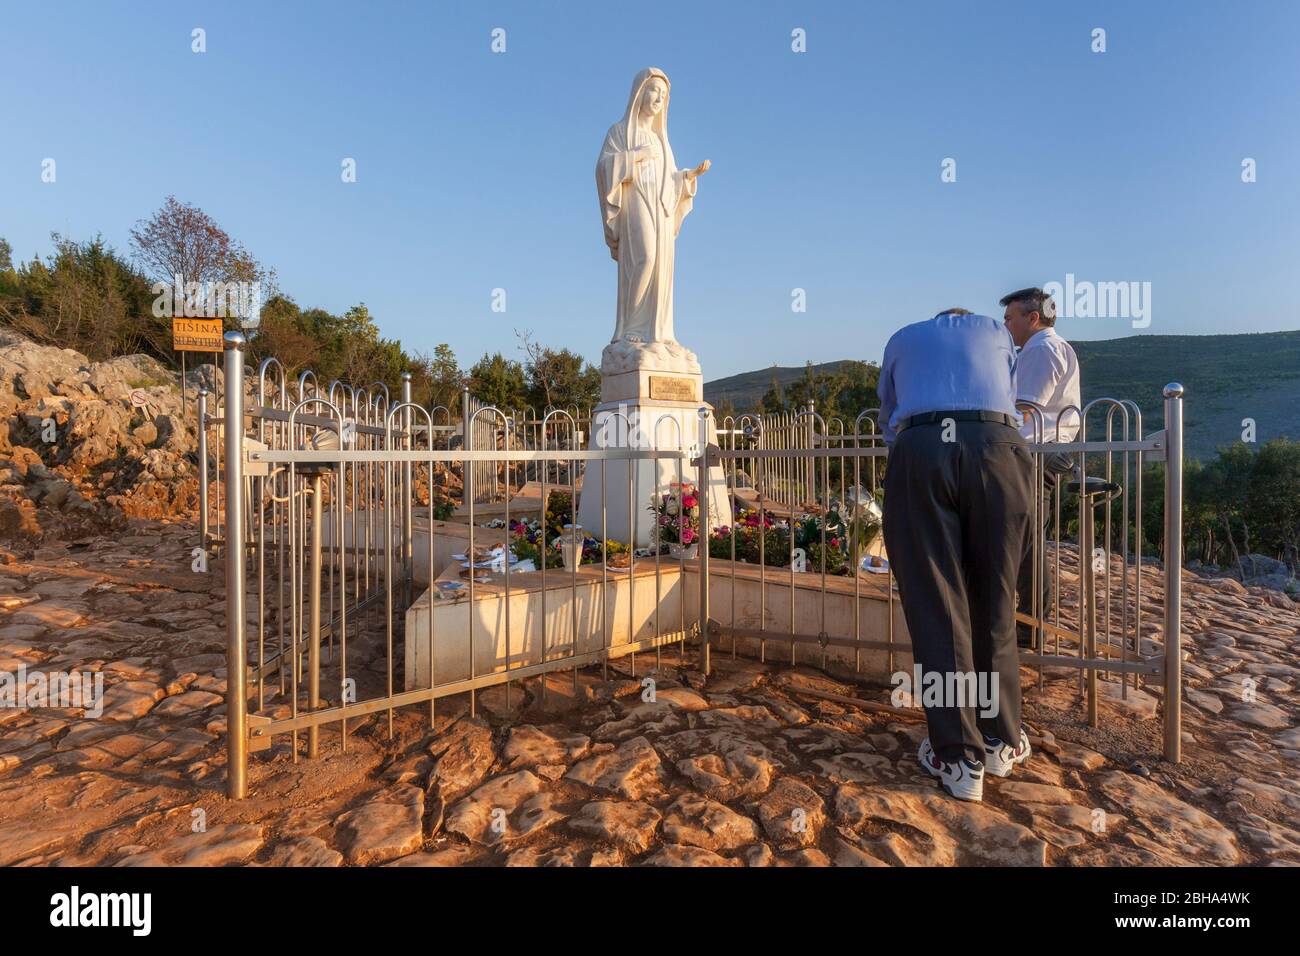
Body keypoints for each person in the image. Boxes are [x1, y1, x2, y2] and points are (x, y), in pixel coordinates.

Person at [878, 309, 1033, 802]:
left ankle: (958, 759)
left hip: (924, 446)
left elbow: (889, 413)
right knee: (996, 597)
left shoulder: (902, 337)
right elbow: (1008, 395)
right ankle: (1000, 741)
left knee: (937, 604)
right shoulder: (998, 333)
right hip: (999, 446)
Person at [1000, 288, 1081, 649]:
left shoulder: (1041, 350)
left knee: (1026, 537)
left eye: (1010, 317)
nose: (1006, 324)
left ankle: (1031, 626)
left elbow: (1024, 410)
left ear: (1032, 318)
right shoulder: (1045, 348)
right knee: (1025, 536)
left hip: (1037, 451)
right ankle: (1029, 621)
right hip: (1041, 450)